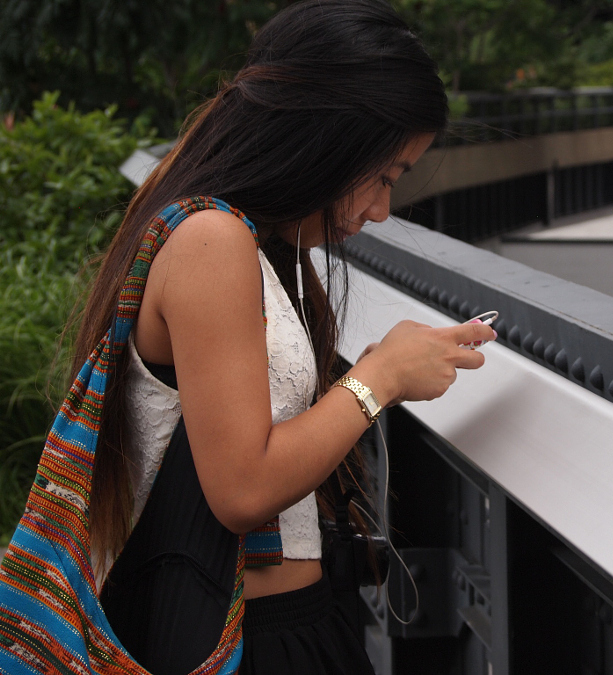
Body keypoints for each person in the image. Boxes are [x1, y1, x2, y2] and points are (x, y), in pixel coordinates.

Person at [70, 1, 497, 672]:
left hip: (285, 625)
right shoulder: (212, 240)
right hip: (245, 641)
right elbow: (243, 489)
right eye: (384, 176)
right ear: (325, 138)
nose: (381, 210)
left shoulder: (253, 242)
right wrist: (379, 377)